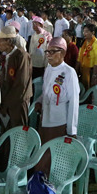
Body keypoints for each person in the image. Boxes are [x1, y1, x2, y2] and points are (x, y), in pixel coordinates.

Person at [36, 37, 80, 172]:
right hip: (45, 119)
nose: (48, 55)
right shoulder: (48, 69)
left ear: (62, 53)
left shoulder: (69, 72)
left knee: (54, 157)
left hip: (59, 122)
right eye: (47, 52)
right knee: (42, 154)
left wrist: (72, 130)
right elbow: (46, 91)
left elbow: (74, 102)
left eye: (52, 52)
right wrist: (39, 101)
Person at [0, 25, 33, 129]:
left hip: (17, 103)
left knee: (17, 133)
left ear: (9, 41)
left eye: (0, 41)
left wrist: (6, 104)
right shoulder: (6, 56)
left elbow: (21, 84)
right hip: (6, 103)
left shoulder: (22, 56)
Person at [77, 23, 97, 90]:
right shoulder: (84, 42)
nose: (84, 33)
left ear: (92, 32)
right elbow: (80, 56)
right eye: (84, 31)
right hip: (84, 69)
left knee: (92, 89)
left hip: (93, 70)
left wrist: (94, 75)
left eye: (87, 31)